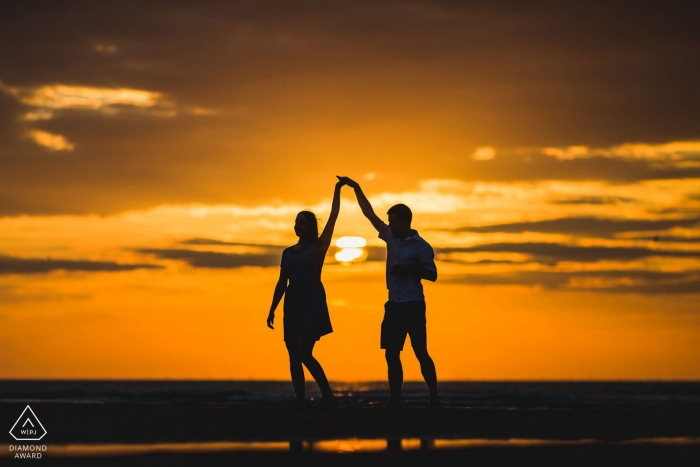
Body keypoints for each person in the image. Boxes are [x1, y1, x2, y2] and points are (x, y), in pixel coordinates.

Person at [339, 176, 439, 408]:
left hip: (413, 304)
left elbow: (432, 274)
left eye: (393, 222)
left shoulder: (421, 246)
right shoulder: (390, 237)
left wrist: (409, 268)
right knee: (391, 353)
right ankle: (396, 400)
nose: (390, 226)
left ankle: (434, 397)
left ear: (405, 221)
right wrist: (356, 188)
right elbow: (369, 214)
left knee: (420, 352)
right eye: (389, 223)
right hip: (393, 304)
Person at [266, 177, 347, 407]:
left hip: (311, 302)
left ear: (310, 226)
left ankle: (327, 394)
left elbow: (333, 217)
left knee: (303, 352)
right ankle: (301, 401)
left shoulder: (319, 247)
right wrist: (272, 308)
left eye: (301, 223)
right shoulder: (288, 253)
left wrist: (337, 190)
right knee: (293, 356)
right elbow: (282, 282)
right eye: (295, 222)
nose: (297, 226)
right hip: (291, 303)